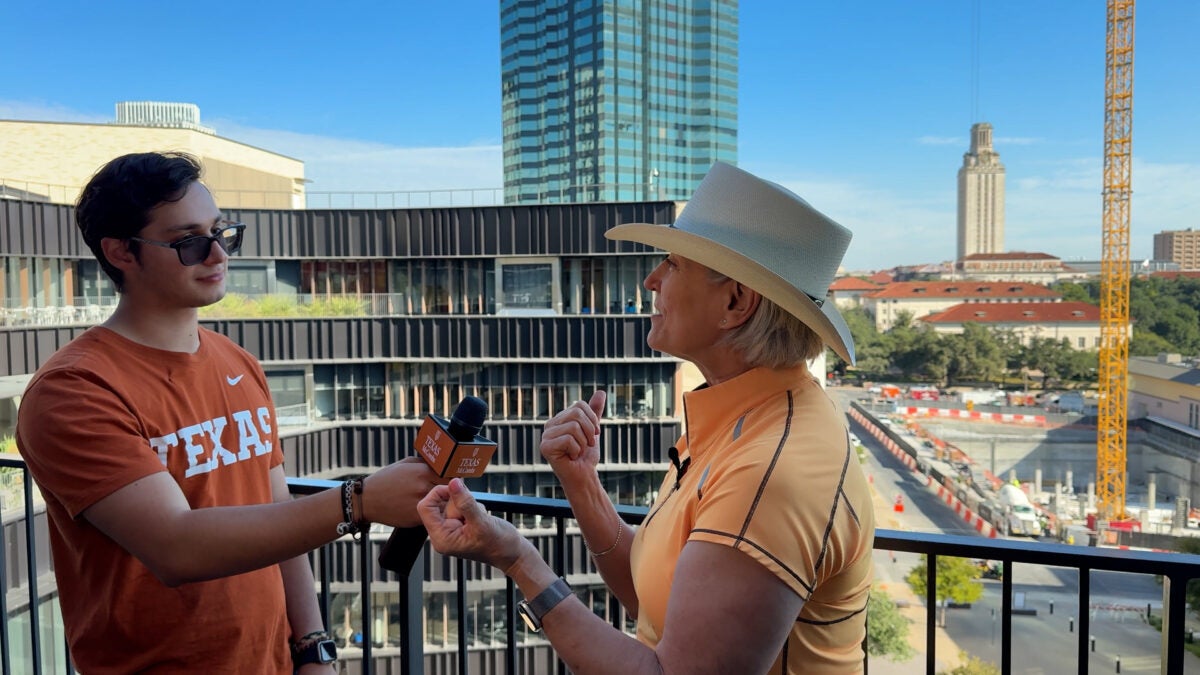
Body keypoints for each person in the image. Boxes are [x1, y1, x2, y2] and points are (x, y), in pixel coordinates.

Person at [418, 162, 875, 674]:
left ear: (734, 301)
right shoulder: (748, 420)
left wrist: (517, 557)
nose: (650, 279)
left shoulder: (771, 469)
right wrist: (582, 484)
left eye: (674, 264)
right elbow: (655, 603)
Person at [16, 152, 440, 674]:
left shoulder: (236, 361)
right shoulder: (75, 390)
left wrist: (312, 648)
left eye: (223, 232)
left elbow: (277, 510)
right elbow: (176, 547)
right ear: (120, 252)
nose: (218, 254)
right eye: (190, 241)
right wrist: (360, 501)